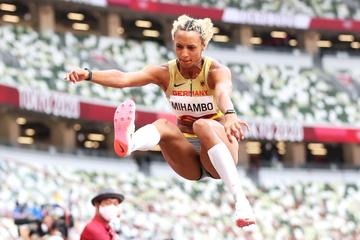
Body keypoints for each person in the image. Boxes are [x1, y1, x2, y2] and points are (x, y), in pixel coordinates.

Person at [65, 15, 255, 227]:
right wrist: (89, 74)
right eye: (179, 46)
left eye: (191, 47)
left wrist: (229, 115)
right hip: (189, 157)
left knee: (202, 124)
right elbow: (124, 78)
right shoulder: (165, 73)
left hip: (219, 146)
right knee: (164, 126)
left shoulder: (216, 71)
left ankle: (241, 201)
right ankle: (130, 144)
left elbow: (222, 92)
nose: (184, 54)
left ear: (203, 46)